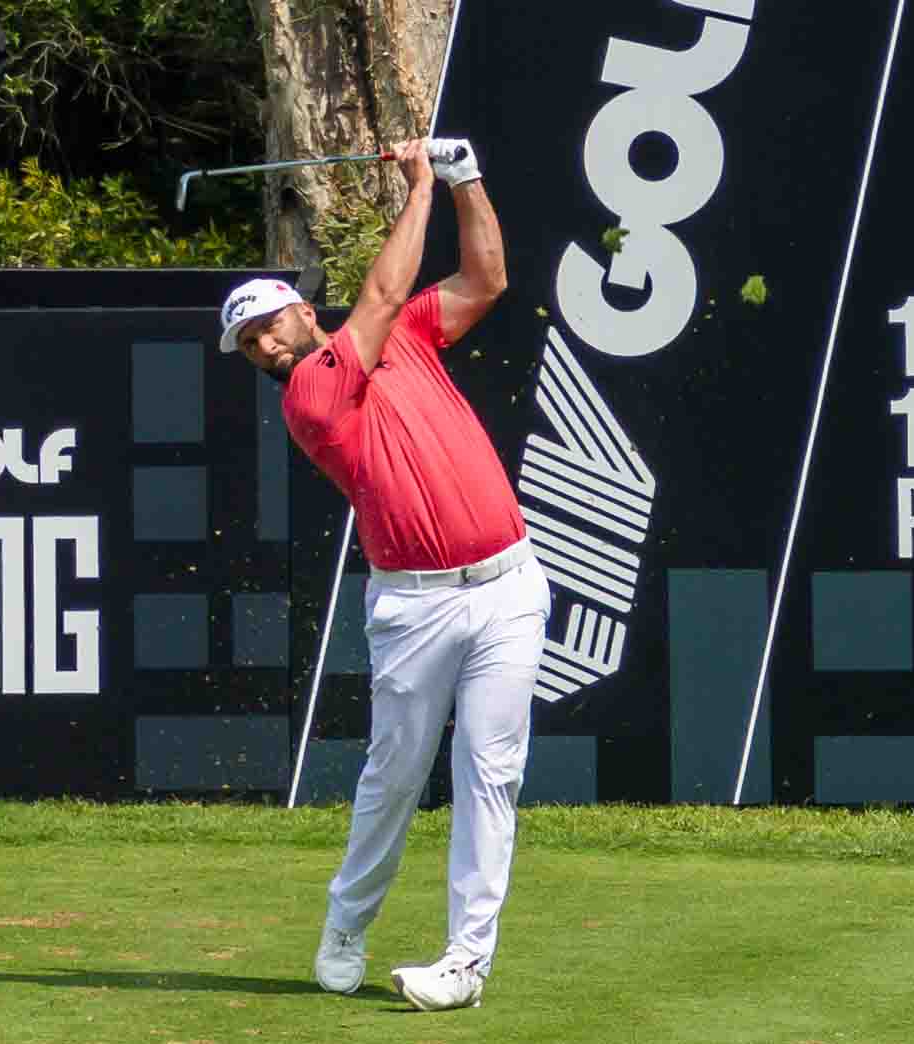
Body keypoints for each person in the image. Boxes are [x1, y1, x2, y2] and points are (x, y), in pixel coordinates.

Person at [216, 137, 550, 1012]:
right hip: (414, 607)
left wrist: (468, 176)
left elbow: (486, 281)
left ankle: (466, 962)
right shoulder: (311, 397)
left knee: (490, 771)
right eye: (248, 343)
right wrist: (418, 187)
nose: (262, 344)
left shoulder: (403, 338)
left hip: (509, 585)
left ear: (298, 308)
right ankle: (346, 924)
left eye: (267, 325)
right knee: (395, 776)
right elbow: (385, 290)